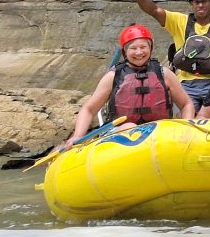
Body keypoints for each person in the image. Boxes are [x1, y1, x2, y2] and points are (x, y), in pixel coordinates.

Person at [62, 25, 195, 149]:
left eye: (143, 47)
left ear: (150, 48)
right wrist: (78, 135)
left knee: (166, 126)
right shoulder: (113, 76)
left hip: (158, 133)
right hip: (121, 134)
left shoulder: (164, 73)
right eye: (133, 48)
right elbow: (89, 109)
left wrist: (186, 127)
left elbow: (186, 104)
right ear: (125, 51)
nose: (139, 52)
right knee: (131, 127)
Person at [124, 0, 210, 111]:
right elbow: (154, 11)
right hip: (185, 84)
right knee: (183, 121)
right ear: (192, 4)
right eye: (197, 2)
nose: (200, 5)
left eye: (204, 1)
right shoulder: (180, 22)